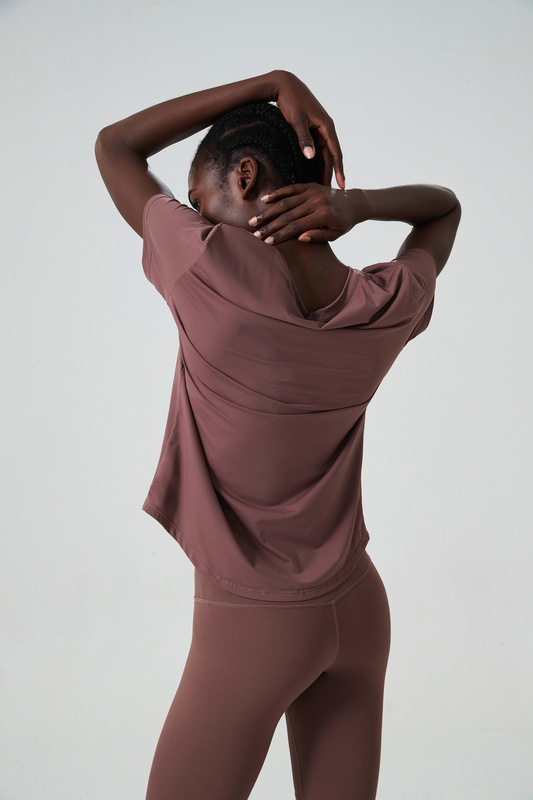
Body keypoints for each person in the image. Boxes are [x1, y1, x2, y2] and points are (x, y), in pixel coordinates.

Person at [95, 70, 461, 800]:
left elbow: (115, 146)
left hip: (253, 630)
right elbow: (443, 210)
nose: (194, 213)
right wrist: (359, 206)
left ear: (244, 174)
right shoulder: (382, 304)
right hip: (358, 610)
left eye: (198, 198)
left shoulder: (207, 268)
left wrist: (270, 81)